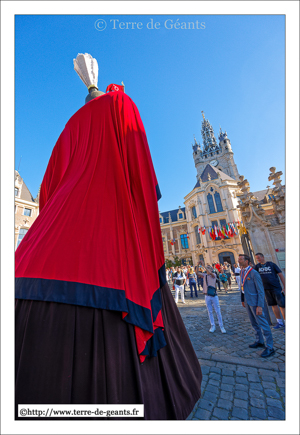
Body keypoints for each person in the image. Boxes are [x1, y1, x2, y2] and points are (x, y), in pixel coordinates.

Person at [15, 76, 202, 419]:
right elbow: (138, 164)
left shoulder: (67, 129)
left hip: (40, 249)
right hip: (109, 232)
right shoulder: (119, 104)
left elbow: (49, 189)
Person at [238, 254, 275, 358]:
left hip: (255, 302)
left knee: (263, 324)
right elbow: (242, 286)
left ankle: (270, 347)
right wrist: (242, 299)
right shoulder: (242, 271)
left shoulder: (254, 273)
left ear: (246, 261)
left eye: (240, 259)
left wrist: (260, 305)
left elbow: (260, 290)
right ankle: (259, 341)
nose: (238, 261)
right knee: (254, 323)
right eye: (238, 259)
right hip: (247, 301)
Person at [255, 253, 285, 330]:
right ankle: (280, 322)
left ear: (263, 257)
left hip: (276, 288)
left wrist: (285, 287)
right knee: (273, 305)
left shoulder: (271, 264)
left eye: (259, 258)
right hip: (266, 289)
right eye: (256, 258)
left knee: (282, 305)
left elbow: (280, 274)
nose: (258, 259)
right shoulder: (257, 267)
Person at [198, 265, 226, 333]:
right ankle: (212, 325)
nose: (207, 269)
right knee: (209, 311)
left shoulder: (213, 275)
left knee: (218, 311)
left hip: (214, 295)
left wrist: (204, 264)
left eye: (209, 268)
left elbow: (210, 273)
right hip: (207, 295)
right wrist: (197, 265)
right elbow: (197, 273)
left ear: (211, 270)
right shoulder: (204, 275)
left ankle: (221, 326)